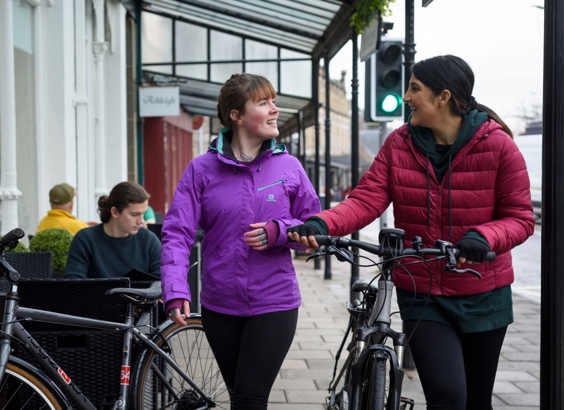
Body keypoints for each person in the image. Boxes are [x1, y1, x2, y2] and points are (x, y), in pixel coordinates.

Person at [288, 55, 535, 410]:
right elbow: (366, 200)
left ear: (443, 97)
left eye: (415, 88)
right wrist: (322, 223)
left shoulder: (498, 146)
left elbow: (519, 218)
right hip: (423, 291)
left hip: (485, 293)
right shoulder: (399, 143)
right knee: (447, 395)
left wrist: (483, 237)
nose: (406, 97)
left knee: (477, 401)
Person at [160, 73, 321, 409]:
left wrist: (278, 232)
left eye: (273, 101)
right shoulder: (200, 170)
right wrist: (175, 288)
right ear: (236, 115)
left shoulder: (289, 167)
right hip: (220, 305)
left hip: (274, 302)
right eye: (264, 103)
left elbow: (315, 230)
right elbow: (177, 232)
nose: (275, 109)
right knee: (240, 397)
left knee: (249, 396)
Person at [63, 181, 161, 279]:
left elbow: (163, 283)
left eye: (143, 214)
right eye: (134, 214)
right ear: (115, 212)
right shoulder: (85, 240)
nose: (141, 221)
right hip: (94, 294)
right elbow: (73, 283)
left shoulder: (149, 241)